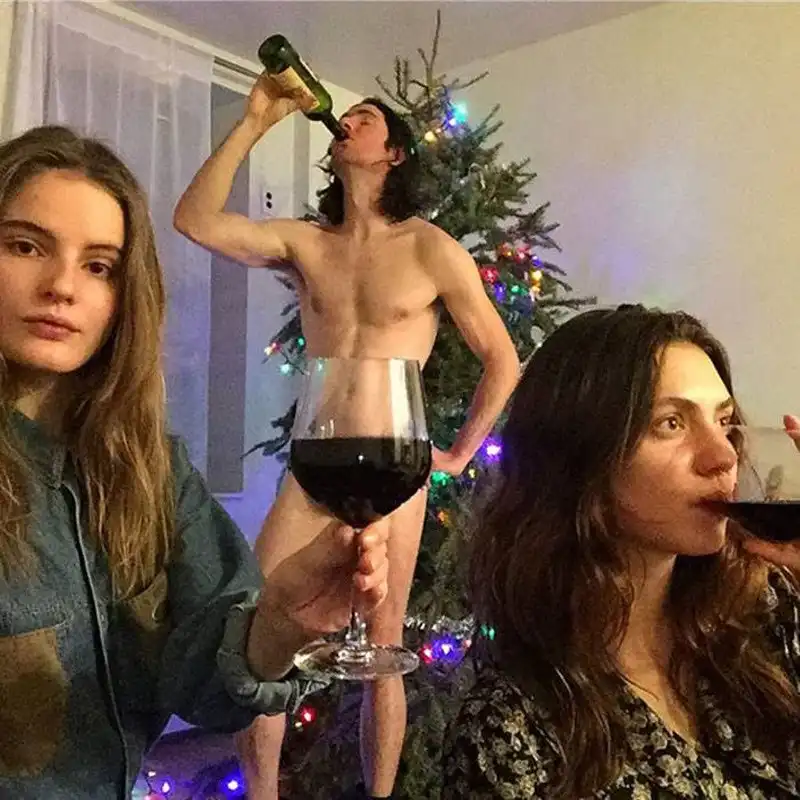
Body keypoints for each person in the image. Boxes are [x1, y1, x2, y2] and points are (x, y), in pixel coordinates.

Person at [0, 124, 391, 799]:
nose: (62, 286)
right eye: (25, 246)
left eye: (99, 265)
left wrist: (280, 622)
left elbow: (204, 682)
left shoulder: (148, 467)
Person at [173, 74, 520, 800]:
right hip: (318, 467)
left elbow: (501, 357)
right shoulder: (306, 242)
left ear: (394, 153)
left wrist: (458, 452)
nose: (348, 123)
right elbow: (195, 219)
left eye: (365, 118)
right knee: (260, 629)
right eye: (347, 115)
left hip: (394, 468)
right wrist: (255, 120)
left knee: (383, 647)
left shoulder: (429, 248)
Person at [442, 303, 800, 798]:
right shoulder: (513, 730)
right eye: (671, 423)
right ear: (582, 457)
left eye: (724, 421)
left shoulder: (769, 617)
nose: (722, 456)